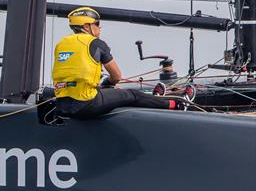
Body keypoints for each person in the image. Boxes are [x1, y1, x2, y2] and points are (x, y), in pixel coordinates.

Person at [51, 7, 185, 119]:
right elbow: (116, 76)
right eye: (97, 24)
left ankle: (156, 99)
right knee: (132, 95)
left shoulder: (61, 44)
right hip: (87, 105)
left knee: (104, 89)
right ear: (86, 26)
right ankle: (175, 104)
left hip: (63, 105)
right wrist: (109, 83)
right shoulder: (96, 43)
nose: (99, 27)